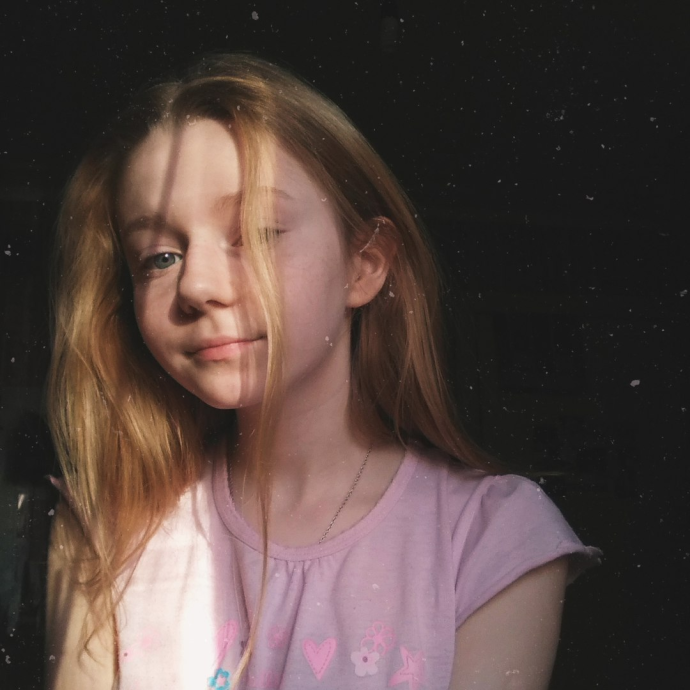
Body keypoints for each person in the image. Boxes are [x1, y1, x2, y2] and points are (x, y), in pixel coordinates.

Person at [45, 54, 600, 689]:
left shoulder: (493, 536)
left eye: (256, 232)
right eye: (160, 256)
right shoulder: (109, 522)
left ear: (364, 264)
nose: (196, 285)